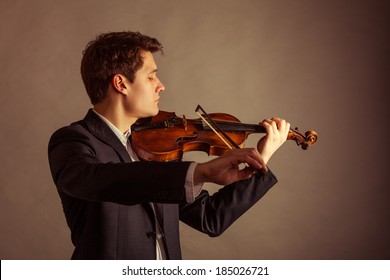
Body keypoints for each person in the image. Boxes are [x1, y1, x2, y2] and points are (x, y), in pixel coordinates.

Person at [48, 31, 290, 260]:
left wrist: (261, 156)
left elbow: (210, 218)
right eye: (151, 76)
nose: (160, 85)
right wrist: (200, 171)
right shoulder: (73, 141)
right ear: (121, 84)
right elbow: (102, 180)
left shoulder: (155, 146)